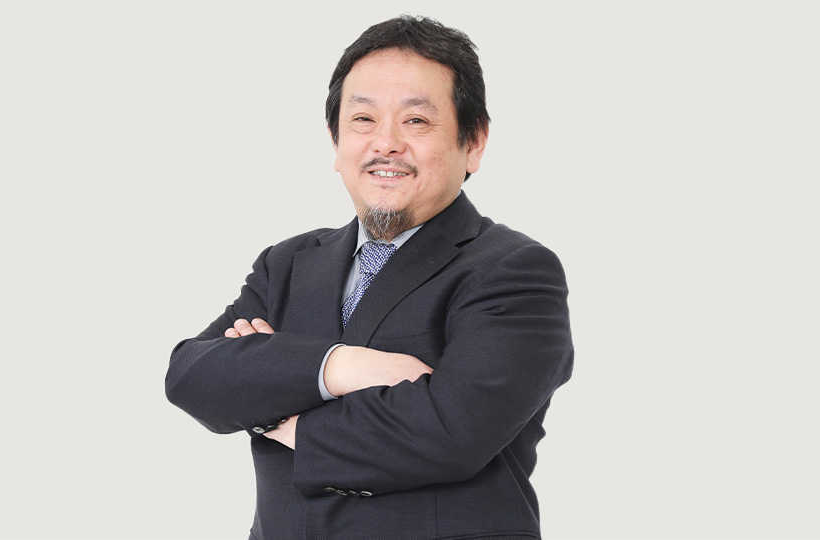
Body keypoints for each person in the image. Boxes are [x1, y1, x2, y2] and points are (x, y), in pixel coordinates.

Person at [166, 14, 574, 540]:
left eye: (416, 121)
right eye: (363, 119)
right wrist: (342, 367)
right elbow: (192, 377)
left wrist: (277, 411)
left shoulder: (513, 271)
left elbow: (451, 432)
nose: (386, 143)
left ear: (473, 142)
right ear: (336, 143)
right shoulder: (287, 263)